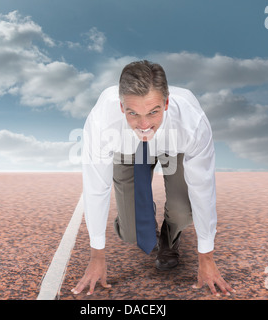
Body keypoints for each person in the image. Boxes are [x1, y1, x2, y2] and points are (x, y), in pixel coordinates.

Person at [71, 60, 234, 297]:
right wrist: (97, 257)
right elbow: (97, 187)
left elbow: (203, 187)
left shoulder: (191, 122)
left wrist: (206, 257)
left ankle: (170, 237)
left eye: (153, 112)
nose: (144, 124)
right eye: (133, 113)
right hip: (127, 149)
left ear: (166, 103)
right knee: (131, 232)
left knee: (182, 212)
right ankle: (140, 216)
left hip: (173, 146)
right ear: (121, 107)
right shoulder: (101, 121)